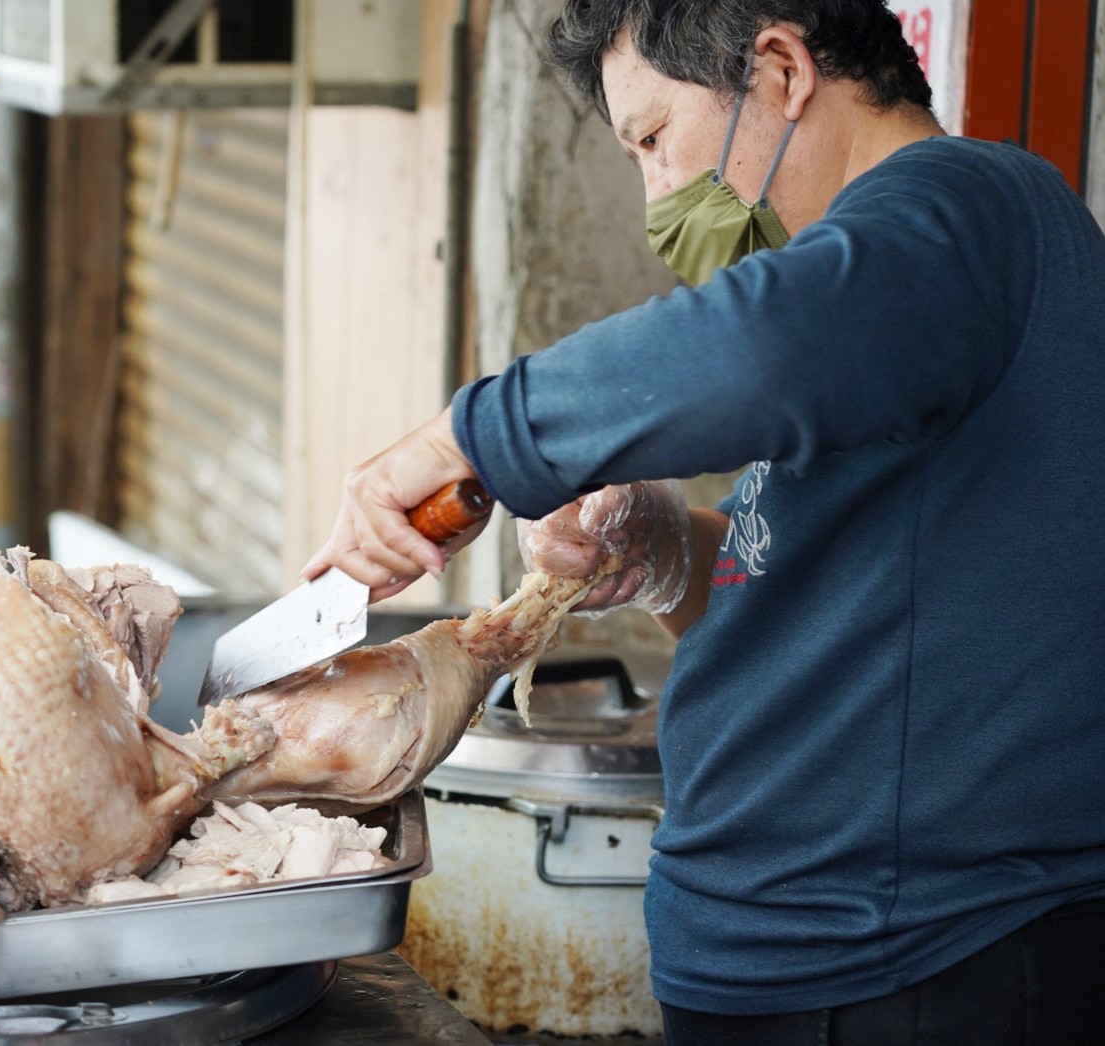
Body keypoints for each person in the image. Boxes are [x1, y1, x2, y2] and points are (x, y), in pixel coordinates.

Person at [301, 1, 1105, 1042]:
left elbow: (759, 349)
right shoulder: (884, 297)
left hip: (913, 969)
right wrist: (669, 552)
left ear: (778, 72)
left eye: (652, 139)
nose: (655, 196)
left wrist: (471, 438)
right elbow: (830, 595)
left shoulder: (964, 211)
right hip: (809, 966)